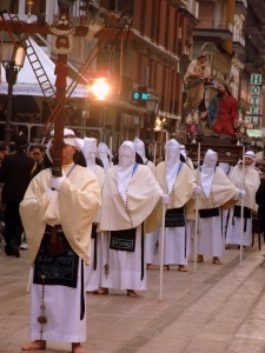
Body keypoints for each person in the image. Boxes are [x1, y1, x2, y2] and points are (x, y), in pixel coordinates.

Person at [19, 128, 101, 353]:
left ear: (73, 148)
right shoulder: (42, 177)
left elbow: (92, 204)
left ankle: (75, 340)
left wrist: (65, 187)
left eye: (64, 145)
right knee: (43, 291)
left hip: (70, 241)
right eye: (55, 146)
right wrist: (47, 197)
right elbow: (26, 205)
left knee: (71, 294)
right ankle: (40, 337)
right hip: (45, 239)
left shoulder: (86, 175)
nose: (59, 150)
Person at [99, 141, 163, 297]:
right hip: (113, 219)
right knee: (111, 254)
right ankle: (107, 283)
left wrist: (161, 195)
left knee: (132, 256)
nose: (124, 158)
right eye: (121, 156)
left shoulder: (143, 171)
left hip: (133, 218)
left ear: (134, 156)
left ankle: (131, 286)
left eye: (128, 156)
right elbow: (105, 194)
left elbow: (153, 187)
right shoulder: (112, 172)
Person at [154, 139, 196, 272]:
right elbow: (154, 183)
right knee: (165, 235)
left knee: (179, 235)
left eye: (173, 151)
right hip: (164, 206)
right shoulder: (160, 167)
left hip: (179, 205)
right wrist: (160, 194)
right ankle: (165, 261)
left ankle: (181, 262)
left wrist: (195, 188)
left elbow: (191, 182)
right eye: (168, 151)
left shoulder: (184, 167)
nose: (171, 154)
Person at [195, 149, 240, 264]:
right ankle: (200, 255)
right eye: (210, 159)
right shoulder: (197, 172)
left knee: (216, 233)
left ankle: (216, 256)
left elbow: (227, 186)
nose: (212, 162)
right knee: (201, 232)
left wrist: (236, 192)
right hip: (201, 206)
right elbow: (191, 184)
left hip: (215, 207)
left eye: (214, 160)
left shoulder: (218, 172)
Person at [0, 132, 36, 257]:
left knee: (9, 219)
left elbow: (2, 177)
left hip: (9, 195)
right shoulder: (31, 161)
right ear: (26, 146)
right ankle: (16, 239)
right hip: (24, 196)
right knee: (20, 220)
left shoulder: (8, 159)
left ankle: (9, 245)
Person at [82, 137, 107, 295]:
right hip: (80, 218)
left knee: (94, 252)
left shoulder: (99, 171)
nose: (91, 154)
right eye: (88, 151)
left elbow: (103, 193)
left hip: (95, 218)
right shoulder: (79, 171)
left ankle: (92, 283)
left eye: (93, 151)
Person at [226, 151, 260, 247]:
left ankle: (242, 242)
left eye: (249, 159)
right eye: (246, 158)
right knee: (233, 222)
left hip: (247, 203)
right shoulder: (236, 169)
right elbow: (231, 182)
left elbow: (255, 187)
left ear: (253, 160)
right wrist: (238, 189)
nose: (247, 161)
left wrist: (247, 187)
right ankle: (229, 241)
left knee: (244, 222)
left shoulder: (255, 173)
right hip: (236, 201)